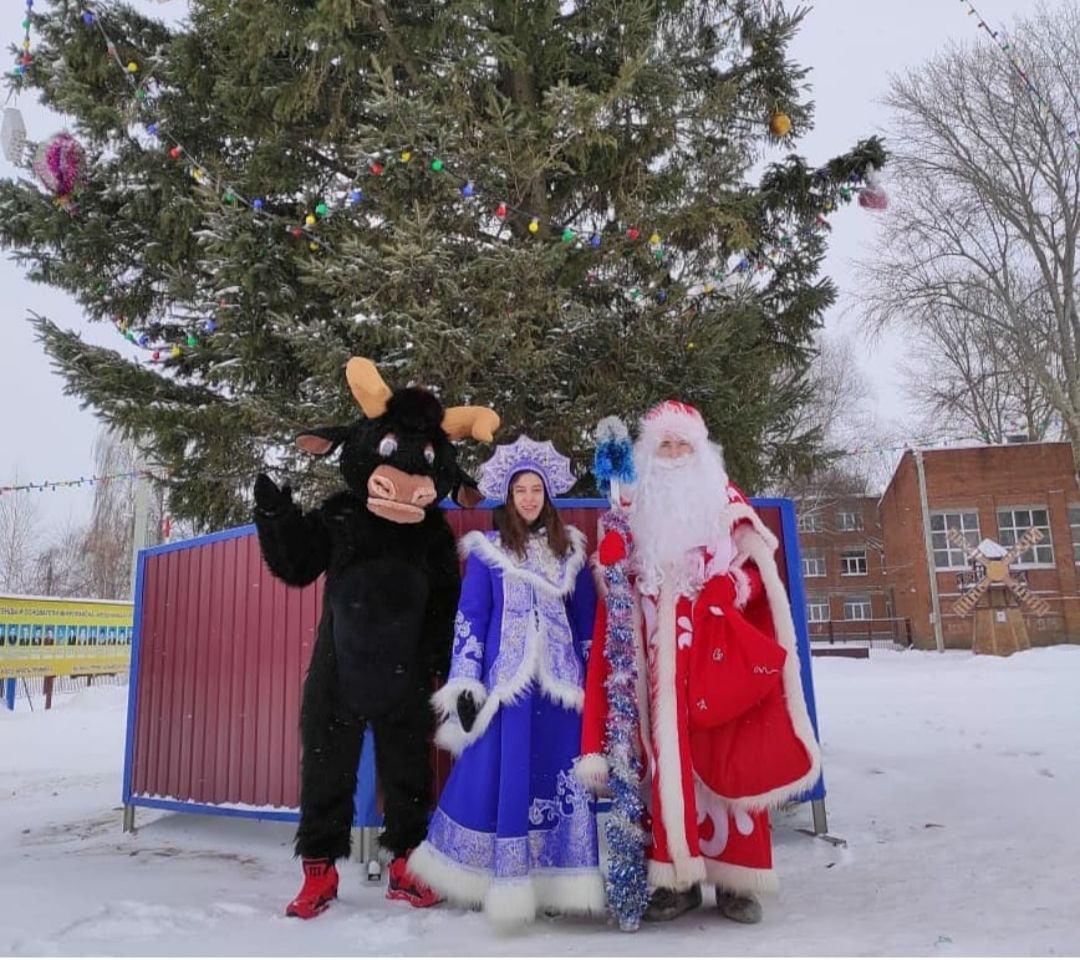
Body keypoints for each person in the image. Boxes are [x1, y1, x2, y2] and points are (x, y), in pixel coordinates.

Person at [578, 401, 821, 924]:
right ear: (648, 451)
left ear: (700, 449)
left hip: (714, 654)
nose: (672, 454)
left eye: (681, 444)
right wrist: (613, 565)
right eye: (663, 444)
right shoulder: (632, 502)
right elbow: (617, 576)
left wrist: (728, 587)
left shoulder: (724, 500)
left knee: (731, 757)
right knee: (667, 766)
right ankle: (676, 878)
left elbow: (758, 574)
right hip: (656, 661)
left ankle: (737, 883)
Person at [408, 436, 604, 927]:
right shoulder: (488, 553)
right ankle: (497, 877)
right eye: (521, 489)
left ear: (547, 496)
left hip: (559, 690)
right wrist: (466, 682)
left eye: (537, 489)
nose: (530, 497)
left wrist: (594, 692)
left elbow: (585, 627)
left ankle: (558, 880)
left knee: (555, 780)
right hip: (507, 691)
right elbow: (471, 618)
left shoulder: (571, 552)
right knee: (500, 776)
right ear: (509, 497)